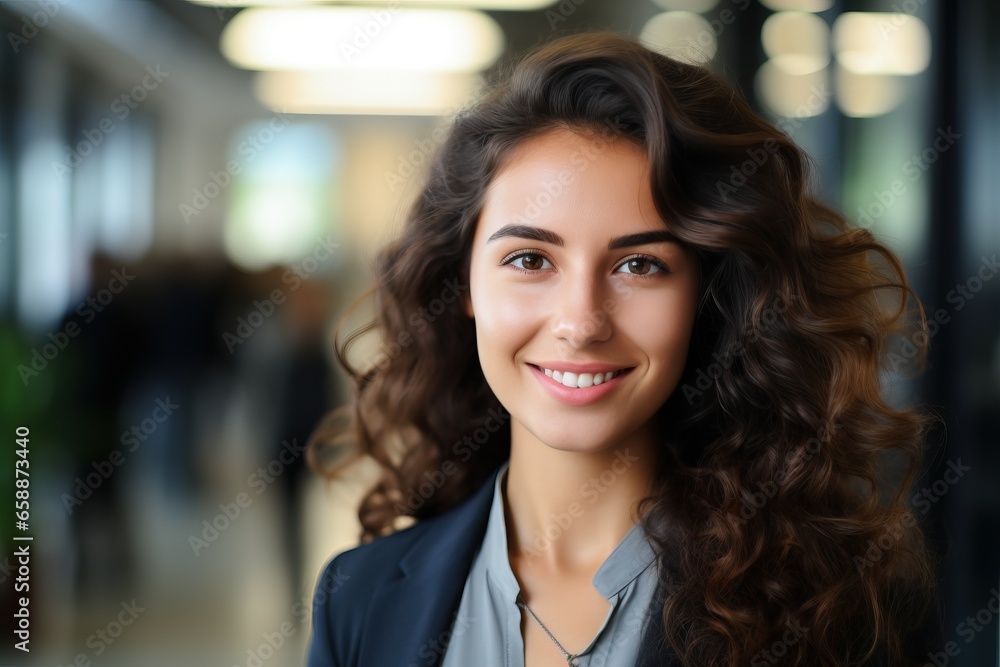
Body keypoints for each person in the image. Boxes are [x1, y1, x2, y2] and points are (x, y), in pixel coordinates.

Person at [303, 31, 942, 667]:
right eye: (529, 259)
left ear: (708, 294)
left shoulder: (849, 607)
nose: (580, 322)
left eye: (639, 265)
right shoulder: (357, 597)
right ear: (462, 283)